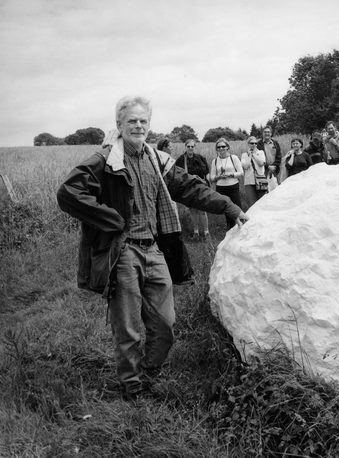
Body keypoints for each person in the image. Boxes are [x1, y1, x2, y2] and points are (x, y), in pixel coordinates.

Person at [57, 96, 248, 399]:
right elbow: (69, 192)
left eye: (143, 121)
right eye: (132, 121)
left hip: (154, 249)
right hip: (122, 252)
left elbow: (189, 187)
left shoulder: (157, 159)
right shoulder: (105, 160)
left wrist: (228, 206)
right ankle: (132, 387)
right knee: (129, 327)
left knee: (166, 324)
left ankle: (149, 373)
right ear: (119, 124)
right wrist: (111, 219)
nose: (138, 125)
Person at [176, 139, 210, 240]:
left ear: (194, 147)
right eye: (188, 146)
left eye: (192, 146)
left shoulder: (200, 158)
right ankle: (196, 232)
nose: (190, 148)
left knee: (202, 210)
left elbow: (207, 172)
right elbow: (177, 174)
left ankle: (206, 232)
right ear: (185, 147)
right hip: (188, 187)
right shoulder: (181, 160)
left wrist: (207, 182)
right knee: (193, 210)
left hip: (201, 186)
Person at [210, 138, 244, 228]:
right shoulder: (215, 161)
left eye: (223, 146)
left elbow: (241, 172)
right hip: (221, 187)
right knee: (227, 210)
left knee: (237, 207)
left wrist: (231, 175)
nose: (221, 148)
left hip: (233, 186)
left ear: (227, 147)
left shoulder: (234, 158)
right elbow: (212, 177)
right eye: (218, 147)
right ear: (216, 149)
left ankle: (241, 228)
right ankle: (230, 231)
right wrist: (218, 177)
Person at [241, 136, 268, 209]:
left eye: (256, 143)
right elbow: (245, 166)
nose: (254, 145)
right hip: (249, 181)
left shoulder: (261, 152)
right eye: (252, 143)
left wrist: (253, 154)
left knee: (263, 202)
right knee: (252, 204)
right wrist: (249, 156)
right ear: (248, 144)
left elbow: (261, 163)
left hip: (261, 179)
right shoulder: (244, 155)